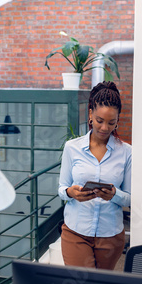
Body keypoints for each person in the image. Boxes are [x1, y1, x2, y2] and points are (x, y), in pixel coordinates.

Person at [58, 81, 132, 270]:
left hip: (110, 236)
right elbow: (61, 189)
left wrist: (114, 194)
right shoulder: (72, 148)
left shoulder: (127, 153)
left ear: (118, 119)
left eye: (111, 122)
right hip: (76, 231)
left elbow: (130, 198)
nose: (105, 128)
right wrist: (71, 192)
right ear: (90, 114)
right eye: (100, 120)